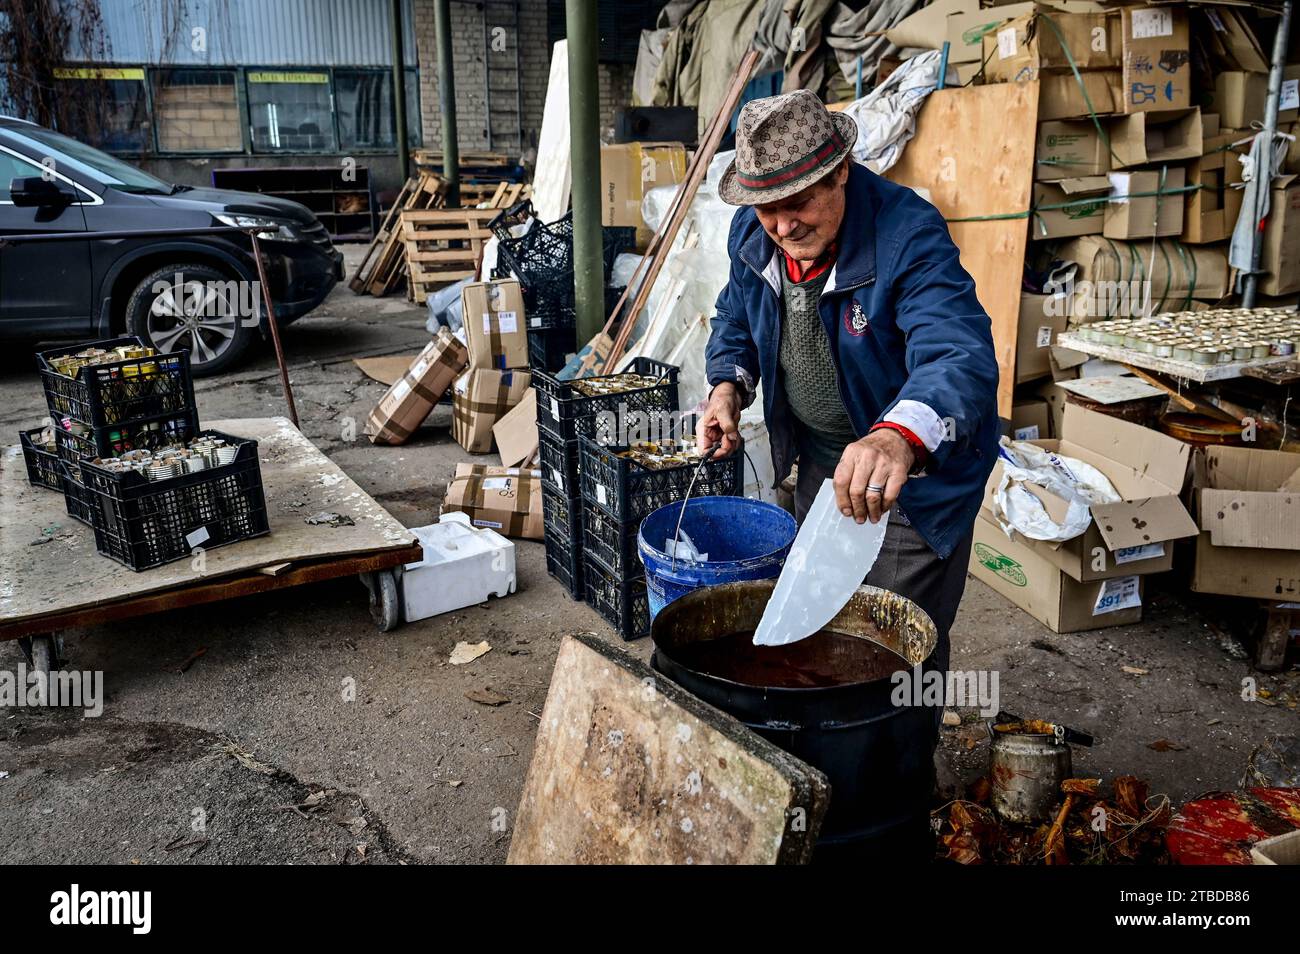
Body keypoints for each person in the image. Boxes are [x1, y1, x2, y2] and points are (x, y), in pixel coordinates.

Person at [697, 88, 1000, 683]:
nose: (783, 225)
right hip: (822, 468)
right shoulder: (753, 233)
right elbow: (735, 316)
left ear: (840, 174)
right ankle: (831, 767)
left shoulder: (907, 232)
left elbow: (957, 352)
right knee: (820, 628)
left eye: (800, 202)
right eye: (767, 207)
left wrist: (896, 436)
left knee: (890, 654)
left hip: (912, 479)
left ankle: (904, 765)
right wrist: (726, 387)